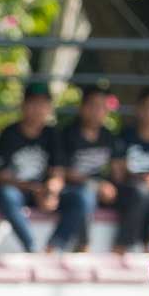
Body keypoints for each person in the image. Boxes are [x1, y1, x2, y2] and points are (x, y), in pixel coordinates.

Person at [0, 82, 65, 252]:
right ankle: (32, 246)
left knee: (80, 198)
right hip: (16, 191)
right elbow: (1, 176)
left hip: (40, 193)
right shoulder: (9, 134)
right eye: (33, 103)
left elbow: (57, 173)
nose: (38, 109)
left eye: (43, 104)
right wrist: (33, 188)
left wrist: (51, 191)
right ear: (23, 105)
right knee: (7, 196)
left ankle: (56, 246)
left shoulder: (52, 135)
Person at [50, 87, 117, 252]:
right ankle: (82, 245)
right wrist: (95, 184)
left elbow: (117, 170)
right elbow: (61, 171)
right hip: (72, 191)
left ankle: (131, 247)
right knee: (85, 194)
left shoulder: (108, 136)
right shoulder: (66, 134)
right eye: (93, 106)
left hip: (102, 191)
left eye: (102, 107)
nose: (97, 111)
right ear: (82, 108)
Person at [110, 89, 149, 253]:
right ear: (139, 109)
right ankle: (123, 246)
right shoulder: (125, 136)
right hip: (126, 191)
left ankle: (148, 245)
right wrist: (140, 178)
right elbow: (117, 174)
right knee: (141, 192)